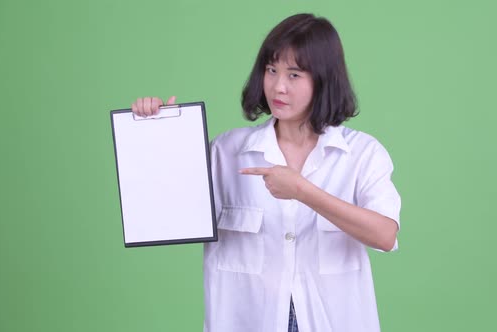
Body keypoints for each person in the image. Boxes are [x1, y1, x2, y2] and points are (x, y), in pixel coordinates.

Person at [132, 13, 401, 332]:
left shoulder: (362, 154)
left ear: (324, 79)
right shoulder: (227, 152)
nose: (278, 86)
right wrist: (155, 131)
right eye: (271, 70)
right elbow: (166, 215)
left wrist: (303, 191)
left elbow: (385, 235)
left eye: (294, 75)